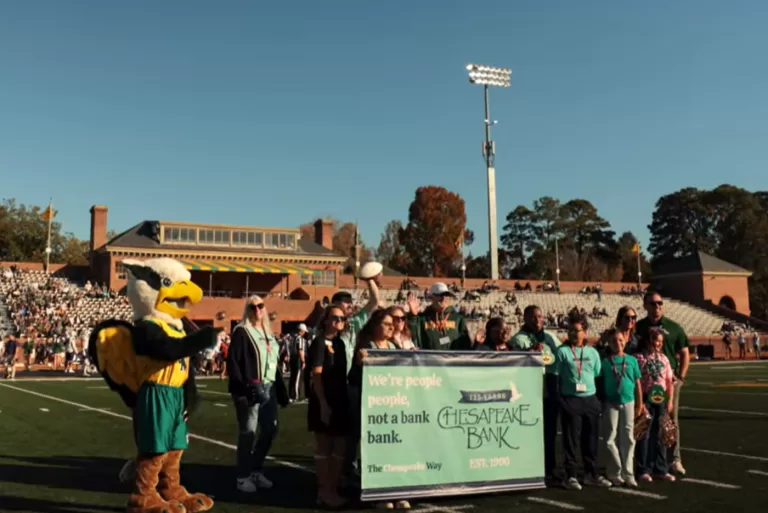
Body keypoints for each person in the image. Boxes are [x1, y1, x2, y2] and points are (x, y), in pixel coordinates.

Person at [349, 309, 411, 509]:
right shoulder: (367, 346)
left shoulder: (393, 345)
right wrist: (359, 363)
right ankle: (379, 494)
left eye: (392, 323)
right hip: (374, 409)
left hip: (394, 404)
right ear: (375, 326)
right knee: (378, 451)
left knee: (397, 451)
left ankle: (397, 491)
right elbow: (354, 378)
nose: (391, 326)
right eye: (386, 323)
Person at [228, 295, 288, 493]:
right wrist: (244, 388)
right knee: (248, 432)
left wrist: (280, 389)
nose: (257, 310)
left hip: (269, 386)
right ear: (248, 309)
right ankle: (242, 476)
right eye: (253, 307)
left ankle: (255, 468)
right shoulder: (242, 331)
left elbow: (274, 364)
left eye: (260, 305)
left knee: (271, 428)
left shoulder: (268, 332)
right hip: (249, 388)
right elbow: (234, 363)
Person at [554, 313, 611, 490]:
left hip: (590, 400)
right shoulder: (562, 351)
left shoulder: (592, 352)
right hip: (571, 400)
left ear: (585, 332)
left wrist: (598, 401)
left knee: (591, 440)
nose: (572, 333)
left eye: (576, 330)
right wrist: (561, 401)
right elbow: (555, 378)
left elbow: (597, 376)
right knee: (571, 440)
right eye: (570, 330)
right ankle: (570, 475)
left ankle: (590, 474)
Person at [635, 291, 689, 476]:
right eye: (652, 303)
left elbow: (684, 353)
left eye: (659, 303)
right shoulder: (638, 326)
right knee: (645, 425)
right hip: (645, 385)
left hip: (668, 382)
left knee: (669, 423)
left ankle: (674, 460)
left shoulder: (674, 328)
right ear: (645, 305)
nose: (656, 306)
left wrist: (680, 376)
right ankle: (644, 464)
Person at [510, 305, 561, 482]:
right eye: (533, 317)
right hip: (529, 390)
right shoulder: (518, 339)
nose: (537, 320)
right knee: (529, 431)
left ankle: (550, 467)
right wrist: (529, 352)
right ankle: (527, 467)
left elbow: (561, 354)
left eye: (540, 316)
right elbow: (514, 362)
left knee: (550, 431)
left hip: (550, 388)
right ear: (524, 318)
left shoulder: (550, 337)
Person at [308, 305, 350, 508]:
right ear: (326, 320)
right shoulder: (318, 343)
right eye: (335, 318)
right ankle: (324, 492)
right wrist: (323, 404)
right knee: (324, 446)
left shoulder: (340, 343)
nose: (339, 322)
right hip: (323, 399)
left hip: (341, 399)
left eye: (342, 318)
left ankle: (331, 489)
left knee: (340, 446)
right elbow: (316, 375)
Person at [600, 328, 642, 488]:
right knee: (610, 439)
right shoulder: (605, 362)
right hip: (611, 402)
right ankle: (615, 471)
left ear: (625, 341)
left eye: (620, 340)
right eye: (613, 341)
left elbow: (637, 383)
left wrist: (640, 403)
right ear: (609, 343)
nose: (617, 343)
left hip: (629, 401)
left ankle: (628, 473)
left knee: (628, 438)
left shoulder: (631, 360)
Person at [634, 328, 676, 482]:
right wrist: (639, 403)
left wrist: (670, 401)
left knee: (662, 434)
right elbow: (635, 382)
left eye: (660, 342)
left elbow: (669, 382)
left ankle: (661, 468)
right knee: (643, 435)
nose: (658, 344)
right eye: (656, 340)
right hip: (645, 399)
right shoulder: (638, 358)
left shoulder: (664, 358)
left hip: (661, 399)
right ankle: (643, 469)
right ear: (648, 340)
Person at [406, 283, 472, 350]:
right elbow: (413, 335)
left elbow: (466, 345)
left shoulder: (458, 318)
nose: (444, 298)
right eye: (440, 295)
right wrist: (412, 316)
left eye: (446, 295)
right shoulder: (423, 318)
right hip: (429, 359)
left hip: (452, 359)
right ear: (432, 297)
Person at [289, 324, 308, 402]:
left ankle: (291, 395)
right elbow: (300, 350)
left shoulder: (292, 337)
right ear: (301, 330)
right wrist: (303, 361)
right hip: (297, 360)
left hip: (292, 359)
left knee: (292, 377)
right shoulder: (300, 339)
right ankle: (295, 396)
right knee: (297, 378)